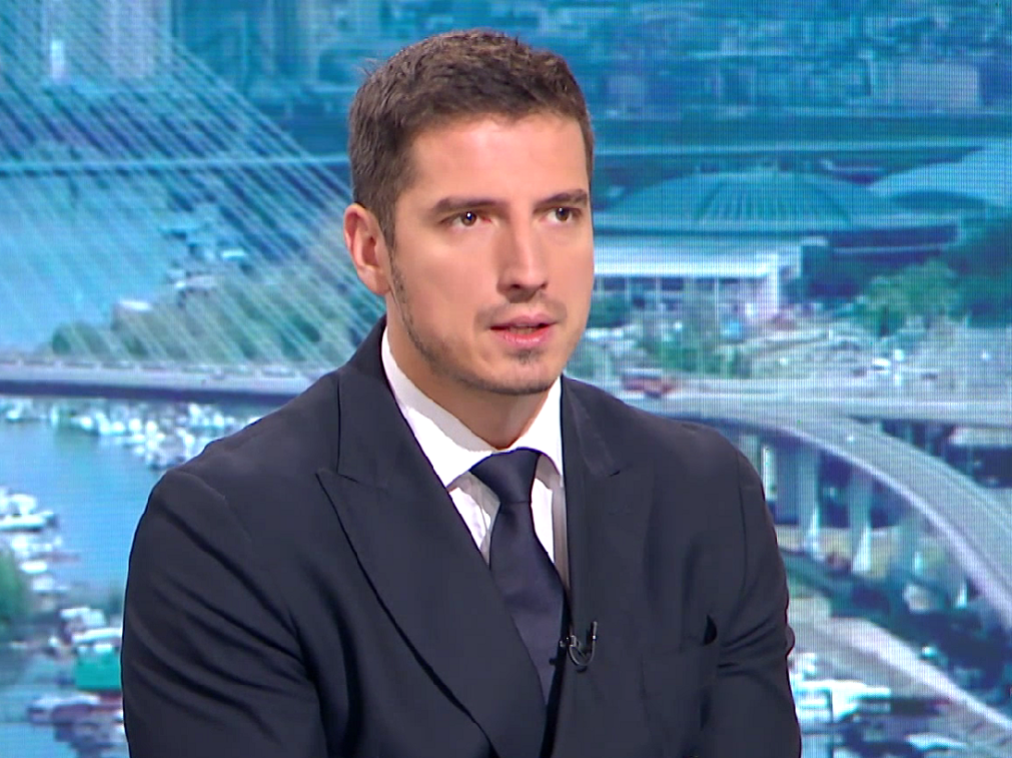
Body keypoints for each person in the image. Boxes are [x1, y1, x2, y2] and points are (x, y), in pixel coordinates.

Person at [121, 30, 800, 758]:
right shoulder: (228, 534)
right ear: (371, 250)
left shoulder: (705, 497)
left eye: (561, 214)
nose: (528, 271)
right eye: (470, 219)